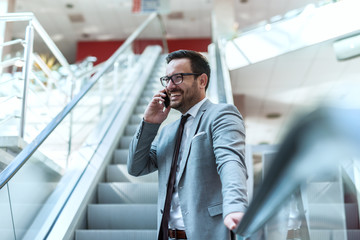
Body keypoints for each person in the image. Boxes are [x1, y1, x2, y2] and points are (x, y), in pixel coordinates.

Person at [127, 50, 248, 240]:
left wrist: (236, 206)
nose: (169, 86)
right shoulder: (167, 131)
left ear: (202, 81)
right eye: (167, 79)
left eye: (177, 78)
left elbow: (230, 161)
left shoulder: (221, 115)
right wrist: (149, 123)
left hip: (207, 234)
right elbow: (136, 167)